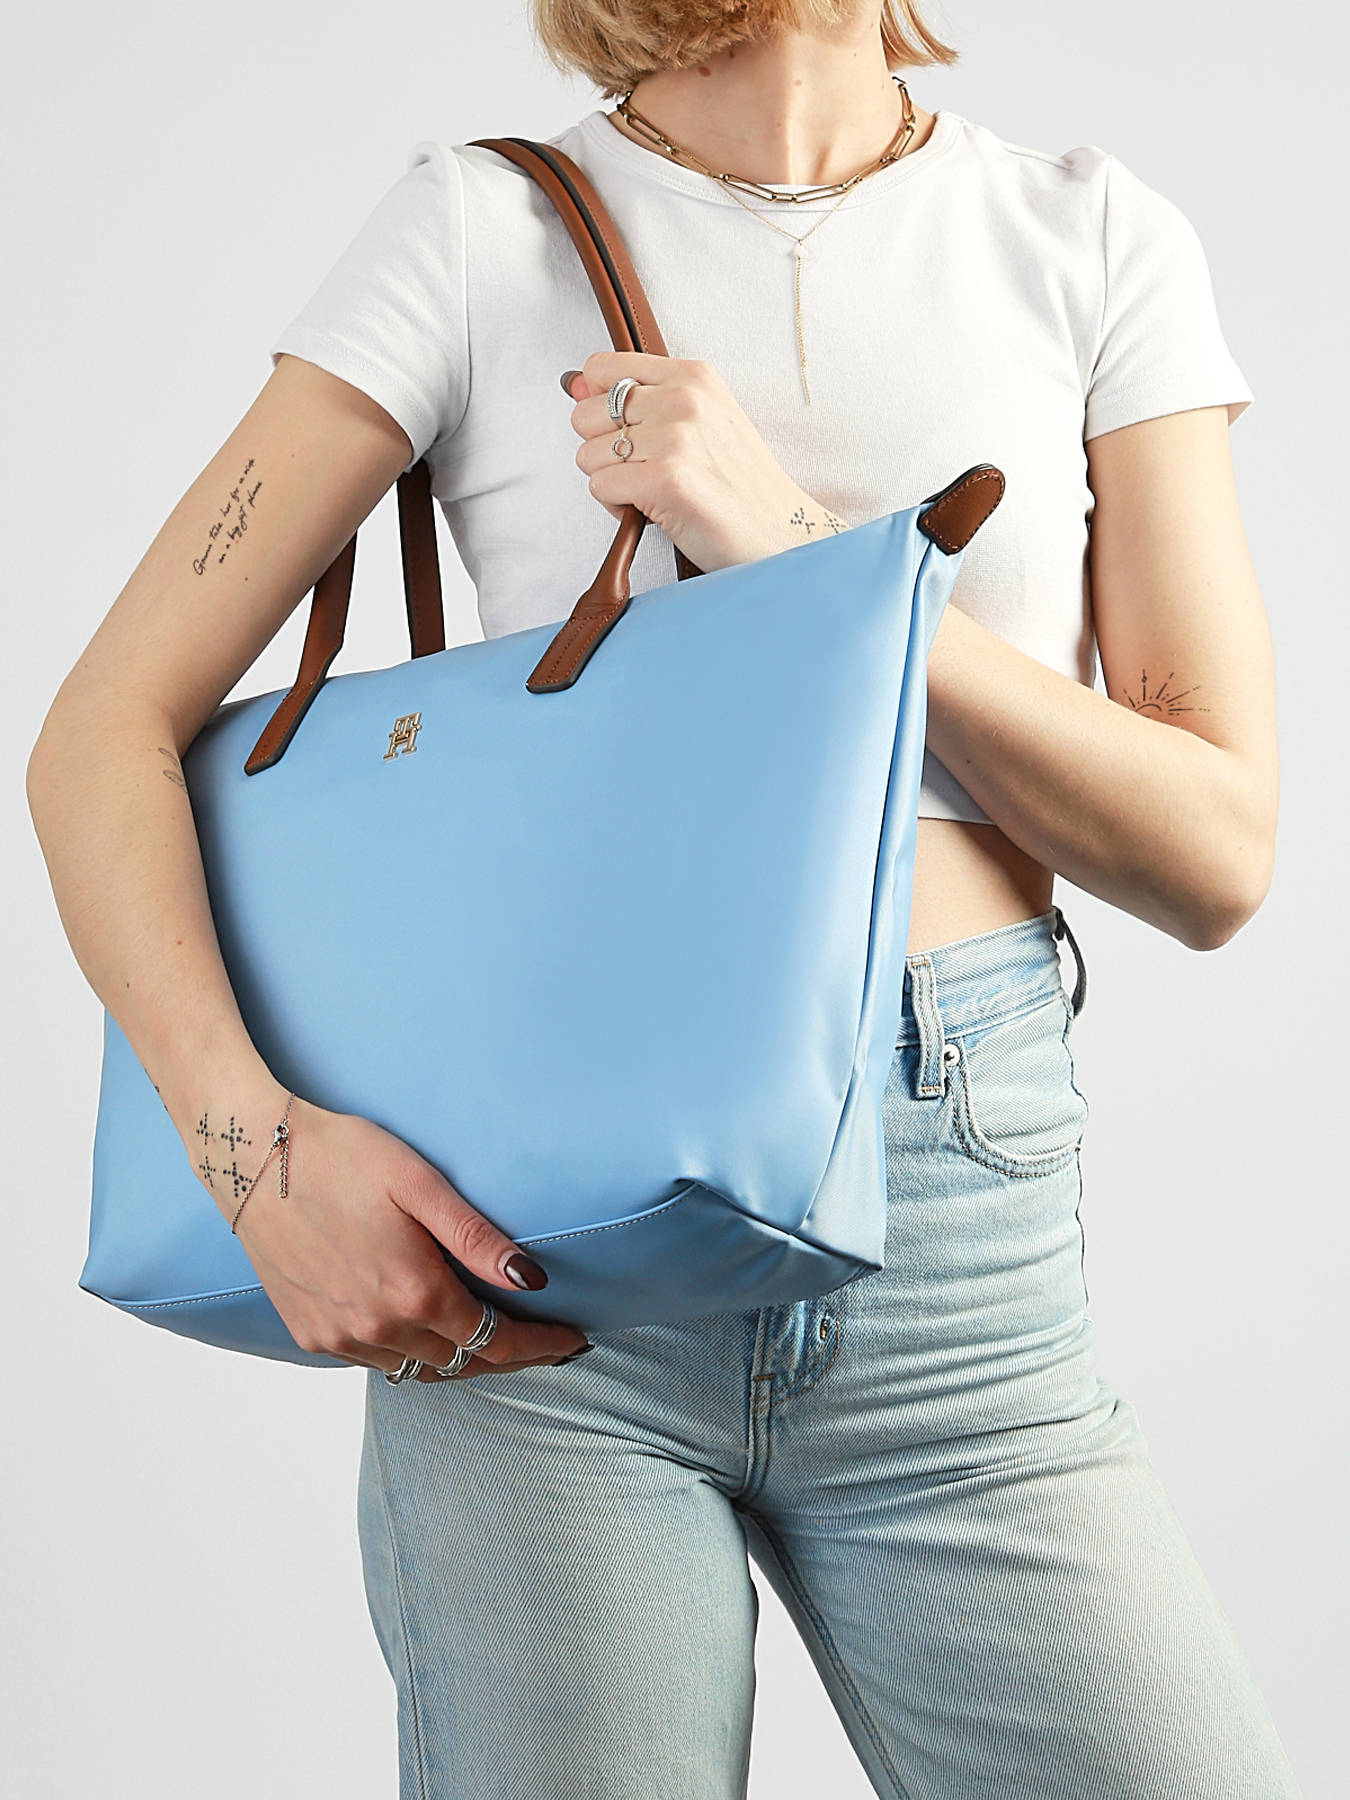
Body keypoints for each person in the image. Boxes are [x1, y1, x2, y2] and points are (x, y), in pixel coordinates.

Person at [25, 1, 1301, 1794]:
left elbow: (1215, 852)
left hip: (959, 1233)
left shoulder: (1086, 235)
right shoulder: (481, 229)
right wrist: (252, 1156)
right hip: (542, 1270)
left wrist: (792, 546)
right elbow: (99, 736)